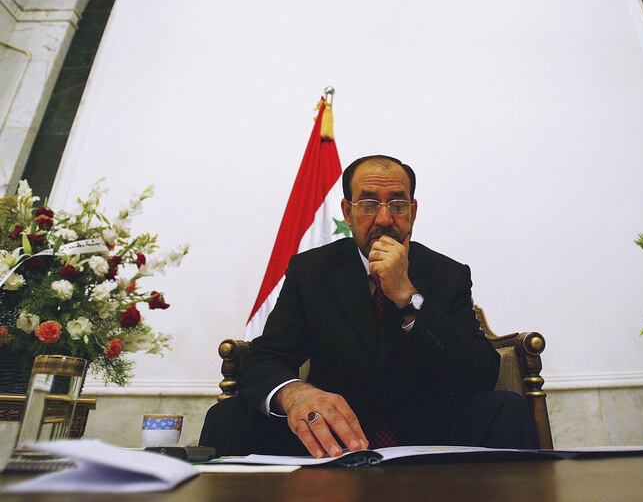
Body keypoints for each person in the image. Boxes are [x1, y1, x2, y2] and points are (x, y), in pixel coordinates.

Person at [200, 155, 536, 457]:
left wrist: (409, 297)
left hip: (428, 430)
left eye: (398, 205)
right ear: (348, 212)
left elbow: (481, 372)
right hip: (331, 433)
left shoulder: (448, 274)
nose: (385, 218)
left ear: (413, 211)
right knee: (227, 417)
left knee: (506, 410)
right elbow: (266, 359)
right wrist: (296, 394)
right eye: (369, 204)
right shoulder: (312, 270)